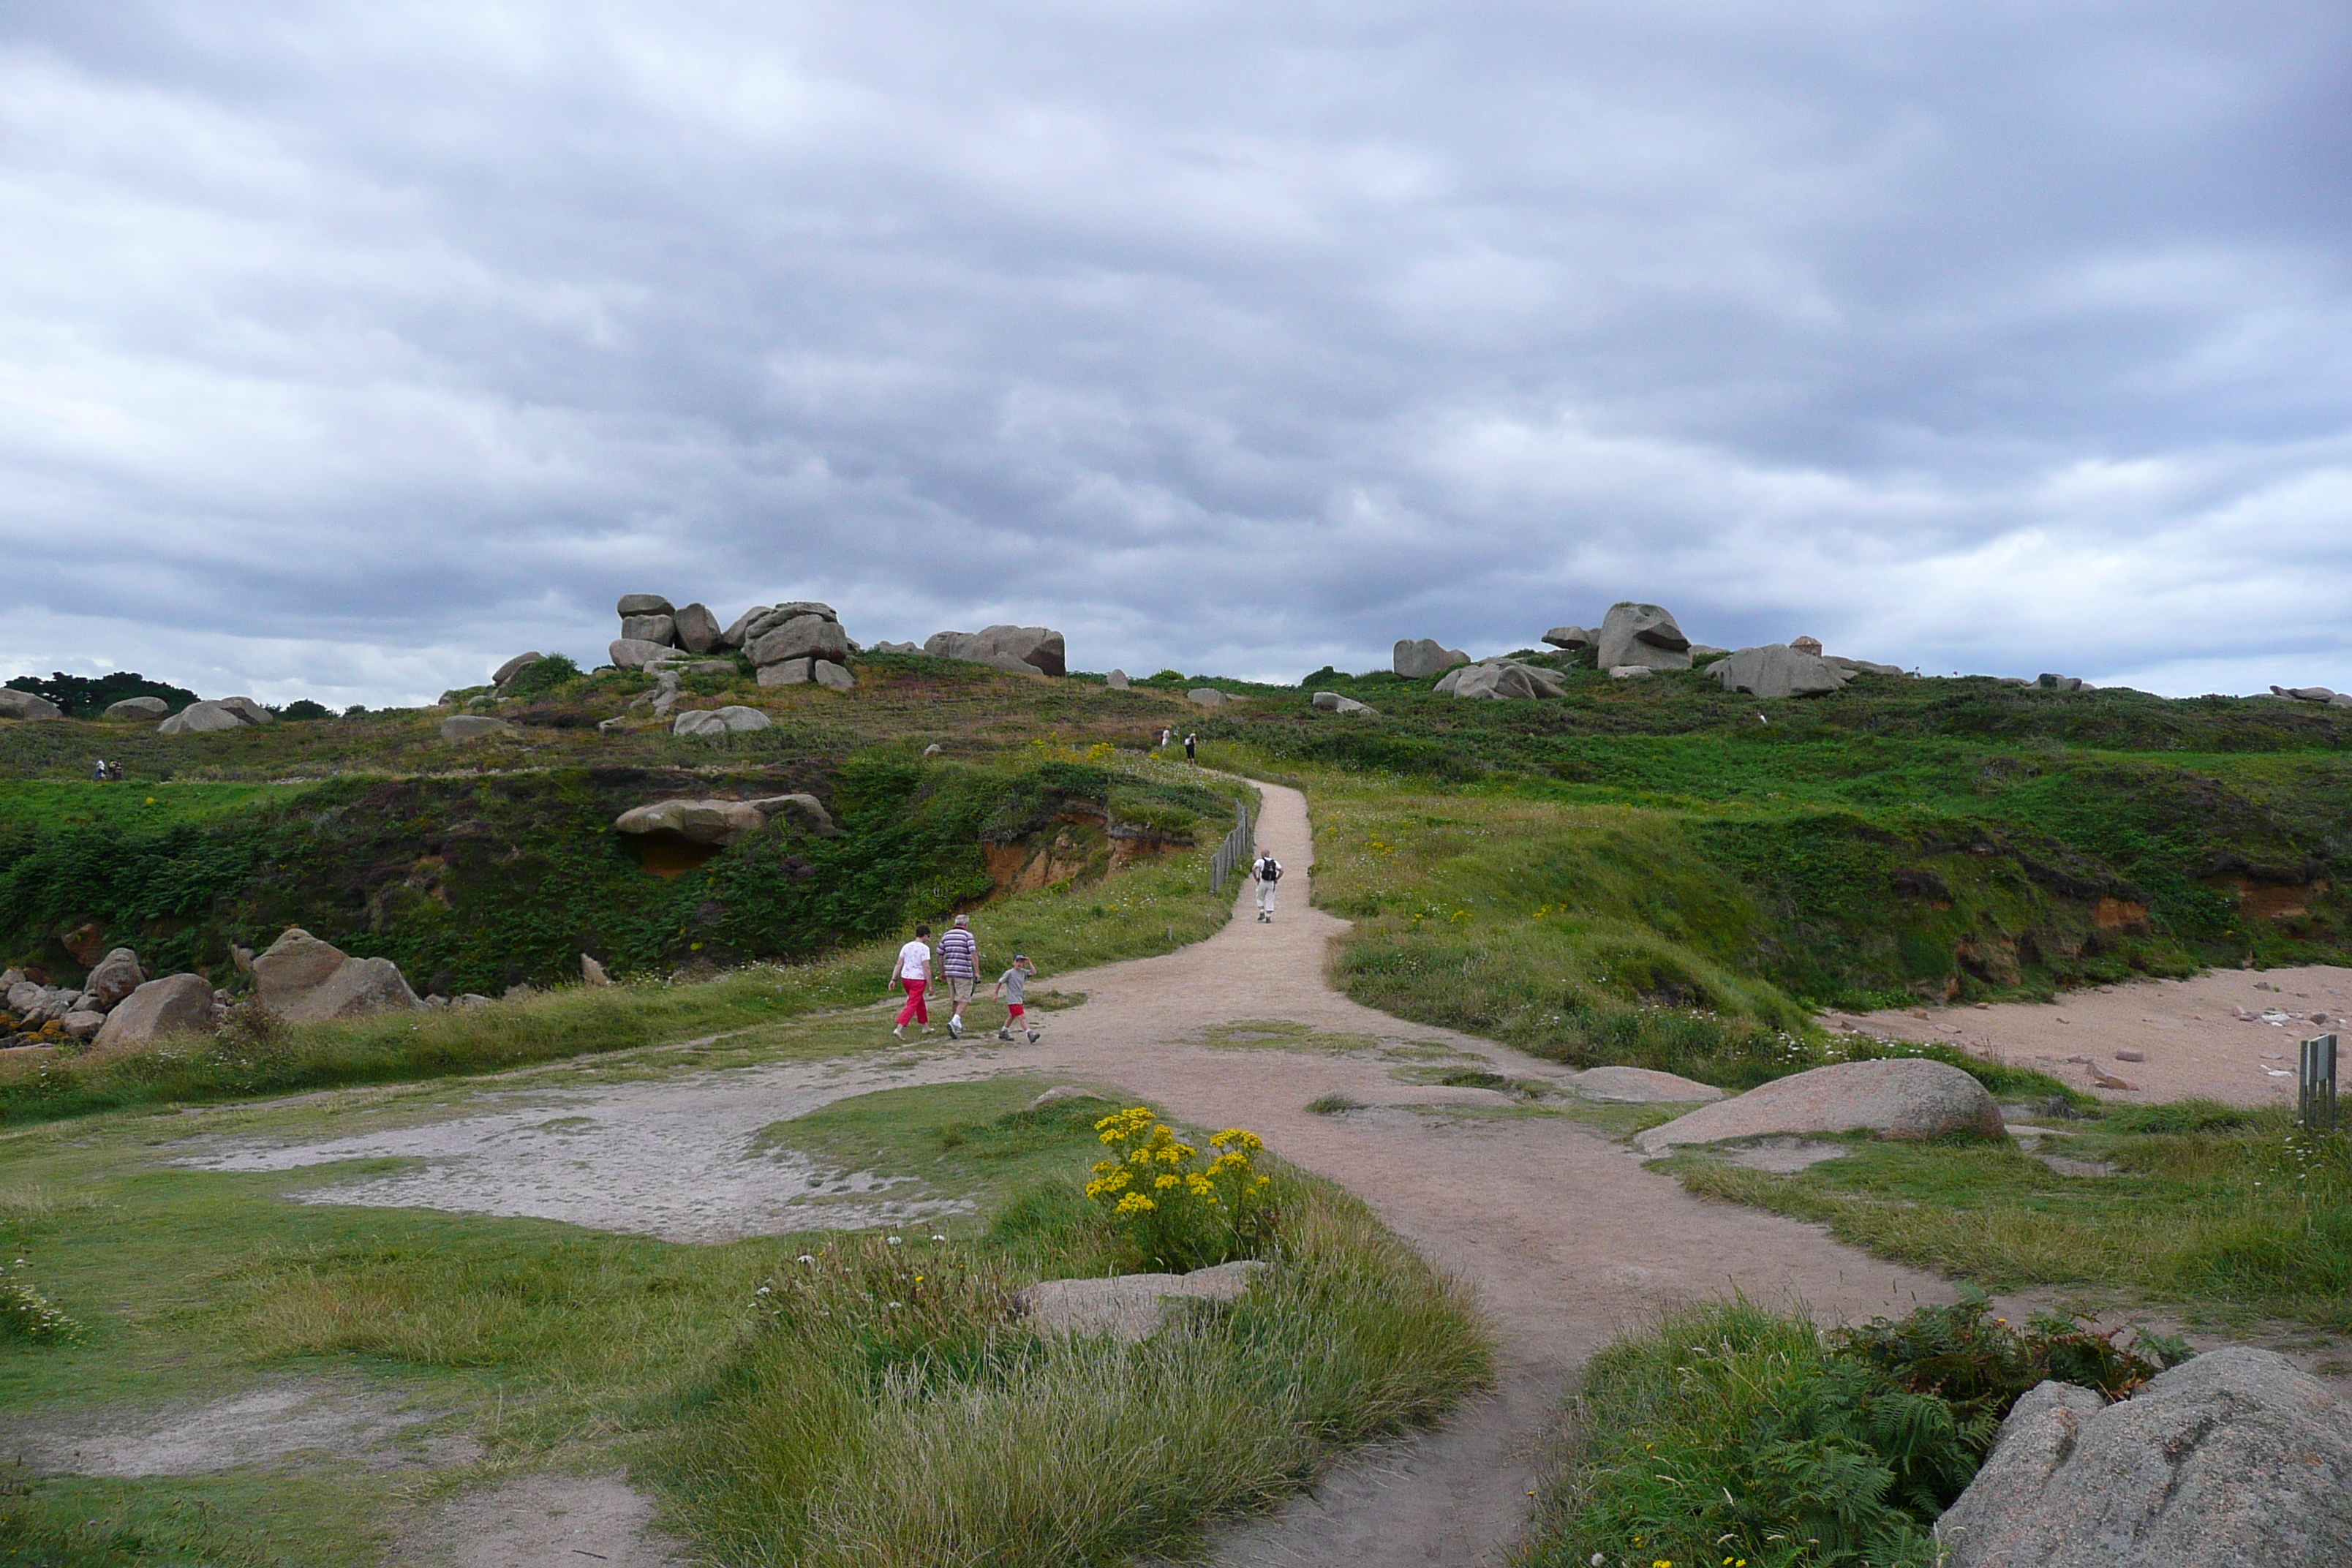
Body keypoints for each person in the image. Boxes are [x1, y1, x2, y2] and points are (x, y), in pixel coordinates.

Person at [889, 924, 934, 1040]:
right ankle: (899, 1028)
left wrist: (893, 979)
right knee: (913, 1003)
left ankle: (925, 1026)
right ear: (925, 936)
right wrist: (930, 985)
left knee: (919, 1001)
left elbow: (899, 963)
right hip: (918, 979)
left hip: (906, 978)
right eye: (928, 937)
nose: (928, 939)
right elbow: (926, 967)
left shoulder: (906, 946)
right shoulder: (924, 949)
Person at [938, 913, 979, 1039]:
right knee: (965, 999)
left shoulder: (946, 935)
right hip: (964, 972)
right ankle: (954, 1021)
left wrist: (942, 971)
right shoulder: (968, 935)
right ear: (966, 924)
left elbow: (939, 955)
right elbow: (973, 953)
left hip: (950, 971)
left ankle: (957, 1026)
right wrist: (977, 971)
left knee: (955, 999)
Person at [993, 954, 1039, 1042]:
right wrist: (996, 994)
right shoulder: (1009, 973)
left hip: (1019, 998)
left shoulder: (1023, 972)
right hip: (1012, 999)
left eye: (1021, 962)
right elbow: (1000, 982)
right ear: (1013, 963)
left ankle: (1004, 1031)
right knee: (1022, 1016)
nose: (1019, 964)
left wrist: (1029, 962)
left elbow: (1033, 972)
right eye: (1017, 962)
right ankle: (1029, 1033)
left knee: (1013, 1015)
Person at [1253, 849, 1282, 921]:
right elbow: (1282, 871)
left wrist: (1256, 878)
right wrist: (1276, 879)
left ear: (1263, 854)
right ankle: (1268, 916)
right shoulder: (1274, 862)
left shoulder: (1260, 861)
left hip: (1262, 881)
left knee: (1260, 897)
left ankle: (1262, 911)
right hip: (1271, 882)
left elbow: (1254, 869)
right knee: (1270, 898)